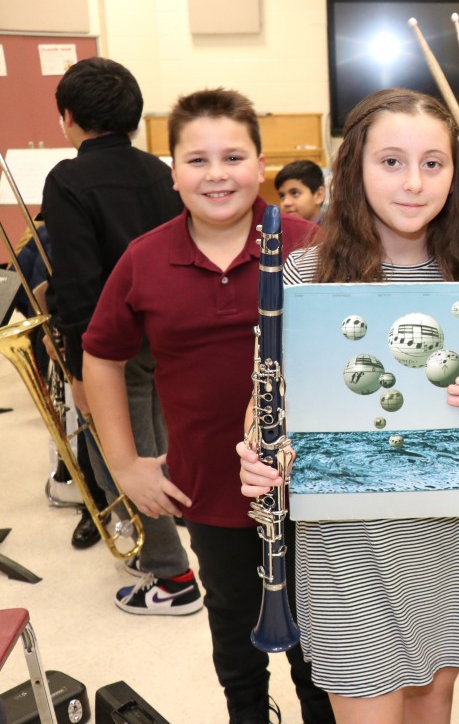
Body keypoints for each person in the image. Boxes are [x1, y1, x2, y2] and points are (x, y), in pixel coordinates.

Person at [238, 88, 459, 723]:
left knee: (433, 707)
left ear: (455, 174)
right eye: (391, 162)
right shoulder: (300, 277)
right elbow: (262, 408)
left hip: (446, 531)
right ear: (354, 169)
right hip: (342, 541)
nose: (414, 183)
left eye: (433, 163)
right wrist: (254, 459)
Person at [83, 88, 335, 723]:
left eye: (233, 157)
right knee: (233, 630)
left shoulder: (315, 245)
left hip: (314, 488)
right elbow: (102, 356)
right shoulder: (145, 257)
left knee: (324, 651)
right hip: (207, 491)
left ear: (261, 165)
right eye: (197, 161)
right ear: (172, 173)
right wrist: (126, 462)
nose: (217, 175)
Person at [38, 57, 196, 584]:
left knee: (119, 456)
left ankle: (170, 572)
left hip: (112, 344)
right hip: (168, 333)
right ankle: (189, 539)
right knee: (162, 441)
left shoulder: (67, 178)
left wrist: (82, 370)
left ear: (68, 117)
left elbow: (81, 283)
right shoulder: (161, 171)